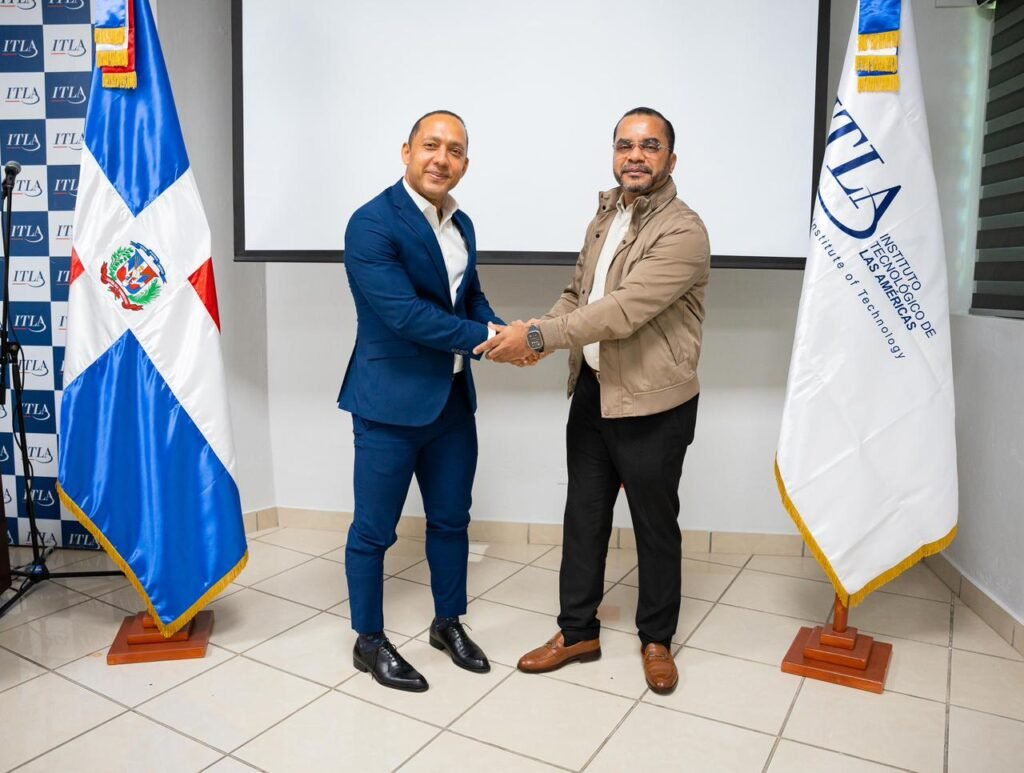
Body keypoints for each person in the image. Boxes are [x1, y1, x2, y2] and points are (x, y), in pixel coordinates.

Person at [477, 107, 710, 694]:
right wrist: (539, 336)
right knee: (583, 517)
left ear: (671, 159)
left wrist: (537, 337)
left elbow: (620, 311)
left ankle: (657, 638)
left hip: (654, 403)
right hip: (593, 394)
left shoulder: (684, 231)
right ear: (613, 154)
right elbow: (577, 295)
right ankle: (577, 631)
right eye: (625, 145)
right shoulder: (605, 217)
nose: (635, 156)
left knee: (655, 526)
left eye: (649, 146)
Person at [339, 110, 500, 692]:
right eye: (431, 145)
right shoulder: (371, 223)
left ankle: (446, 623)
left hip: (452, 404)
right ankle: (368, 640)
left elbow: (470, 299)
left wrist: (503, 334)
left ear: (465, 164)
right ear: (406, 151)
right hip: (388, 405)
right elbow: (405, 315)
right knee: (373, 532)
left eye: (454, 150)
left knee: (452, 521)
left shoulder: (462, 224)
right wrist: (489, 339)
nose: (442, 158)